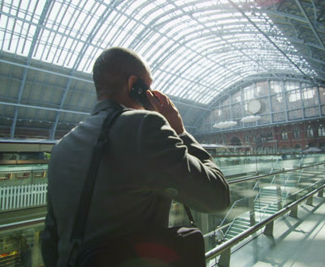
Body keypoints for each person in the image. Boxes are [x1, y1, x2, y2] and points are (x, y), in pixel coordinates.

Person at [41, 47, 231, 266]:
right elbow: (218, 196)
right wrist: (180, 131)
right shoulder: (145, 126)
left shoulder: (61, 147)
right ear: (134, 85)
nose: (150, 94)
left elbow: (50, 238)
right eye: (148, 87)